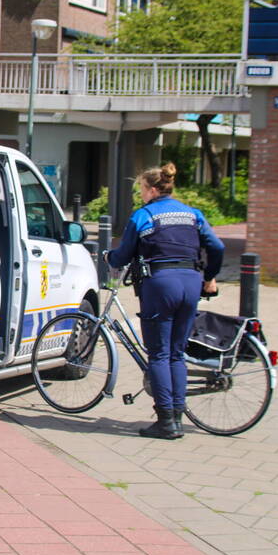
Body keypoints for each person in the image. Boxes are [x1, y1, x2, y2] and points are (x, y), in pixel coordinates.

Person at [106, 162, 224, 440]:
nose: (141, 194)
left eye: (141, 189)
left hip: (161, 284)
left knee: (158, 353)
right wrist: (210, 276)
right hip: (191, 283)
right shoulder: (192, 214)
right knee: (176, 353)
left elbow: (122, 255)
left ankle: (166, 422)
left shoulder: (143, 216)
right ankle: (178, 418)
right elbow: (217, 246)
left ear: (150, 189)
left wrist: (107, 258)